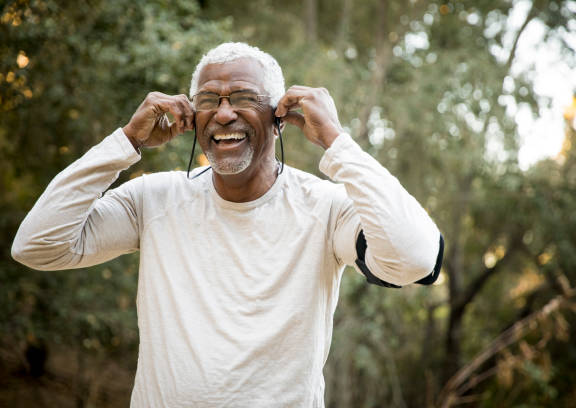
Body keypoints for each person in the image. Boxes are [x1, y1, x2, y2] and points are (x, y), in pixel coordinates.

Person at [12, 42, 443, 407]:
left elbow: (416, 259)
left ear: (279, 117)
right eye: (208, 100)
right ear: (192, 116)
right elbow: (36, 245)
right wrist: (127, 142)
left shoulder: (325, 209)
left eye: (242, 98)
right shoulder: (153, 199)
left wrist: (336, 140)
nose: (223, 114)